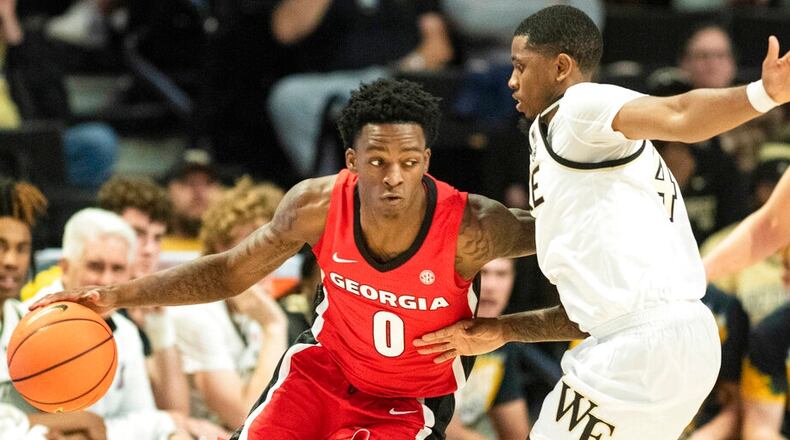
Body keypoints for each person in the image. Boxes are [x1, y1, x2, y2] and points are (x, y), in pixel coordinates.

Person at [31, 77, 537, 439]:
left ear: (426, 159)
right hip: (319, 373)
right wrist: (116, 296)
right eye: (378, 161)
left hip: (408, 400)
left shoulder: (472, 227)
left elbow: (579, 239)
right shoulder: (314, 207)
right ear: (352, 161)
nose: (394, 177)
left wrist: (510, 329)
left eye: (408, 162)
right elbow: (230, 271)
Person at [413, 5, 790, 440]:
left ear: (560, 67)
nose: (511, 81)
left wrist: (764, 93)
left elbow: (680, 115)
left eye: (520, 67)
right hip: (659, 341)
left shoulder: (580, 107)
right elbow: (592, 316)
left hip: (644, 347)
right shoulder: (570, 154)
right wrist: (503, 330)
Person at [29, 208, 228, 440]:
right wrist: (164, 421)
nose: (105, 281)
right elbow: (71, 430)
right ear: (64, 266)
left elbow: (144, 416)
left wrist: (167, 424)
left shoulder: (126, 332)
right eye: (95, 266)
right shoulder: (32, 323)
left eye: (118, 269)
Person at [171, 177, 289, 429]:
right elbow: (247, 419)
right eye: (253, 244)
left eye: (274, 247)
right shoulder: (196, 312)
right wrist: (274, 326)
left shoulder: (252, 307)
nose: (267, 260)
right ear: (222, 250)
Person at [0, 178, 111, 439]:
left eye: (21, 249)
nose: (11, 261)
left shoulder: (33, 322)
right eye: (1, 247)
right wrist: (41, 429)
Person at [446, 257, 530, 440]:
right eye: (481, 273)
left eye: (501, 274)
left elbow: (518, 433)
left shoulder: (503, 345)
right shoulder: (439, 330)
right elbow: (441, 429)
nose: (491, 286)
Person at [162, 149, 224, 252]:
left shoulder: (237, 249)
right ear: (169, 191)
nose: (199, 190)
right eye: (188, 182)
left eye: (208, 182)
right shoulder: (148, 250)